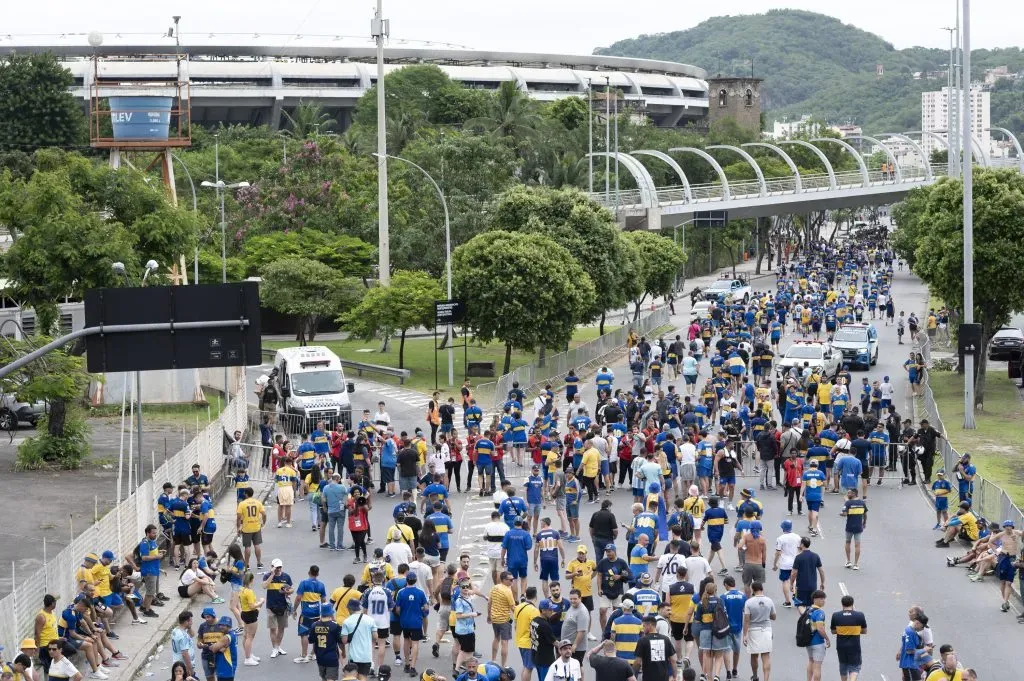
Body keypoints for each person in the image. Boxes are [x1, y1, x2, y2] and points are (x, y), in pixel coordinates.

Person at [395, 573, 429, 676]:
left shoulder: (401, 592)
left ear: (407, 580)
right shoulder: (420, 592)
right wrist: (420, 609)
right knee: (415, 643)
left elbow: (397, 609)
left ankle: (406, 664)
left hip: (405, 621)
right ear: (415, 580)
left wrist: (403, 614)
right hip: (416, 622)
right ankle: (413, 667)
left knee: (406, 641)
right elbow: (426, 608)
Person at [742, 582, 776, 681]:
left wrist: (745, 635)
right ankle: (766, 679)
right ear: (762, 589)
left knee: (754, 655)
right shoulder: (769, 601)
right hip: (766, 629)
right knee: (766, 656)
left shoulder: (749, 602)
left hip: (754, 630)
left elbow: (747, 620)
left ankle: (755, 675)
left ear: (753, 590)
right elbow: (774, 617)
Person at [829, 595, 867, 681]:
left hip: (841, 646)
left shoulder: (836, 615)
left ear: (842, 604)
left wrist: (843, 630)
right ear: (853, 604)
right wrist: (854, 630)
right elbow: (864, 631)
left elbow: (833, 631)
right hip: (854, 646)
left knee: (843, 665)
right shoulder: (859, 615)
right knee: (855, 667)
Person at [263, 558, 293, 659]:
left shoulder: (286, 576)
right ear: (272, 567)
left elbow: (291, 589)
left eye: (280, 567)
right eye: (276, 567)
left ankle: (278, 646)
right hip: (271, 606)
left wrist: (288, 592)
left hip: (283, 606)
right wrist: (272, 574)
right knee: (273, 629)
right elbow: (264, 586)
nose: (278, 569)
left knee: (281, 628)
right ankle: (274, 649)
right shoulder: (267, 576)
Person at [340, 601, 377, 680]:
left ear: (350, 609)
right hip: (366, 655)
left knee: (353, 677)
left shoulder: (347, 621)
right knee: (363, 676)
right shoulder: (370, 619)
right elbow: (375, 637)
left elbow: (344, 641)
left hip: (353, 656)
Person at [633, 615, 675, 681]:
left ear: (650, 625)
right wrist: (675, 676)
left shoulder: (642, 640)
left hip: (649, 677)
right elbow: (673, 660)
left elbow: (638, 662)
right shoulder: (666, 639)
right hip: (664, 677)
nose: (643, 628)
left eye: (644, 626)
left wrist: (633, 674)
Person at [790, 537, 825, 612]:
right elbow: (821, 571)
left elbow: (794, 573)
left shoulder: (798, 557)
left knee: (800, 604)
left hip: (801, 586)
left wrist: (791, 583)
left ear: (802, 544)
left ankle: (805, 618)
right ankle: (809, 618)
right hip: (813, 586)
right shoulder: (815, 556)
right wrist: (822, 583)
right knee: (811, 604)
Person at [514, 588, 541, 681]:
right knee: (528, 668)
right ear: (536, 596)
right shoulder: (534, 610)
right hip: (528, 643)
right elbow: (534, 628)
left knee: (525, 666)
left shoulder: (518, 607)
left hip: (520, 641)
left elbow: (515, 624)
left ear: (526, 595)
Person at [311, 604, 344, 681]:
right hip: (332, 657)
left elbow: (311, 640)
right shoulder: (335, 626)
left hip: (320, 657)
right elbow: (340, 641)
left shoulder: (314, 625)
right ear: (330, 614)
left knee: (323, 678)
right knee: (331, 678)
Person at [236, 487, 266, 569]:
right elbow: (264, 514)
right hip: (256, 527)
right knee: (257, 545)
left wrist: (238, 527)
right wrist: (263, 522)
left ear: (246, 494)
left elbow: (238, 517)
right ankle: (259, 563)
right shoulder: (258, 502)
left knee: (247, 546)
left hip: (246, 528)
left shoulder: (242, 504)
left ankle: (247, 564)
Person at [239, 572, 264, 666]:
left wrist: (257, 605)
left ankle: (248, 654)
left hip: (244, 613)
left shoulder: (242, 590)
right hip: (250, 614)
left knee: (246, 635)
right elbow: (252, 606)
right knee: (250, 636)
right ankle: (248, 658)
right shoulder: (249, 591)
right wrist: (261, 602)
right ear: (251, 580)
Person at [804, 591, 830, 681]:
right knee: (817, 666)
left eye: (824, 599)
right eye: (821, 599)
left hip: (808, 641)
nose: (823, 601)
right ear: (815, 599)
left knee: (811, 661)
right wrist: (827, 639)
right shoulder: (819, 612)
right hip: (818, 642)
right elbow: (820, 628)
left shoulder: (808, 609)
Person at [841, 490, 867, 570]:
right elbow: (865, 514)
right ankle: (856, 564)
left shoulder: (848, 503)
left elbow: (844, 514)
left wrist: (842, 514)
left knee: (848, 542)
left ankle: (848, 561)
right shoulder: (862, 503)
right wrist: (864, 523)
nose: (848, 494)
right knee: (857, 545)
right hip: (858, 527)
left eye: (849, 493)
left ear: (854, 494)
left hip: (849, 527)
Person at [208, 616, 238, 681]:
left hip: (225, 668)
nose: (221, 627)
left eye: (223, 625)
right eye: (220, 625)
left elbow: (213, 649)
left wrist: (215, 646)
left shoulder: (226, 637)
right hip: (229, 668)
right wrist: (219, 648)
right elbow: (217, 648)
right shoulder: (233, 634)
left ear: (229, 626)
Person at [170, 611, 197, 678]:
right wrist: (190, 669)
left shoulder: (176, 630)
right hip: (183, 666)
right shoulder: (182, 636)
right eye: (190, 621)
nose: (192, 622)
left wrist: (189, 627)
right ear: (186, 622)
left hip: (177, 663)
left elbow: (192, 635)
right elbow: (185, 654)